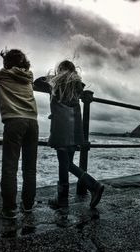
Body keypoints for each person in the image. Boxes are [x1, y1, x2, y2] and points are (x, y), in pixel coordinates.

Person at [34, 60, 104, 210]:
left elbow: (37, 82)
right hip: (74, 129)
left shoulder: (55, 82)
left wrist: (53, 76)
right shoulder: (78, 86)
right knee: (67, 163)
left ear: (61, 70)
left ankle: (94, 186)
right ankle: (63, 199)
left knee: (64, 163)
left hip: (61, 128)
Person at [0, 49, 38, 219]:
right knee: (30, 167)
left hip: (14, 121)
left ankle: (9, 209)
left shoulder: (4, 74)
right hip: (32, 122)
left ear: (7, 62)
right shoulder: (30, 76)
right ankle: (27, 206)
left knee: (10, 167)